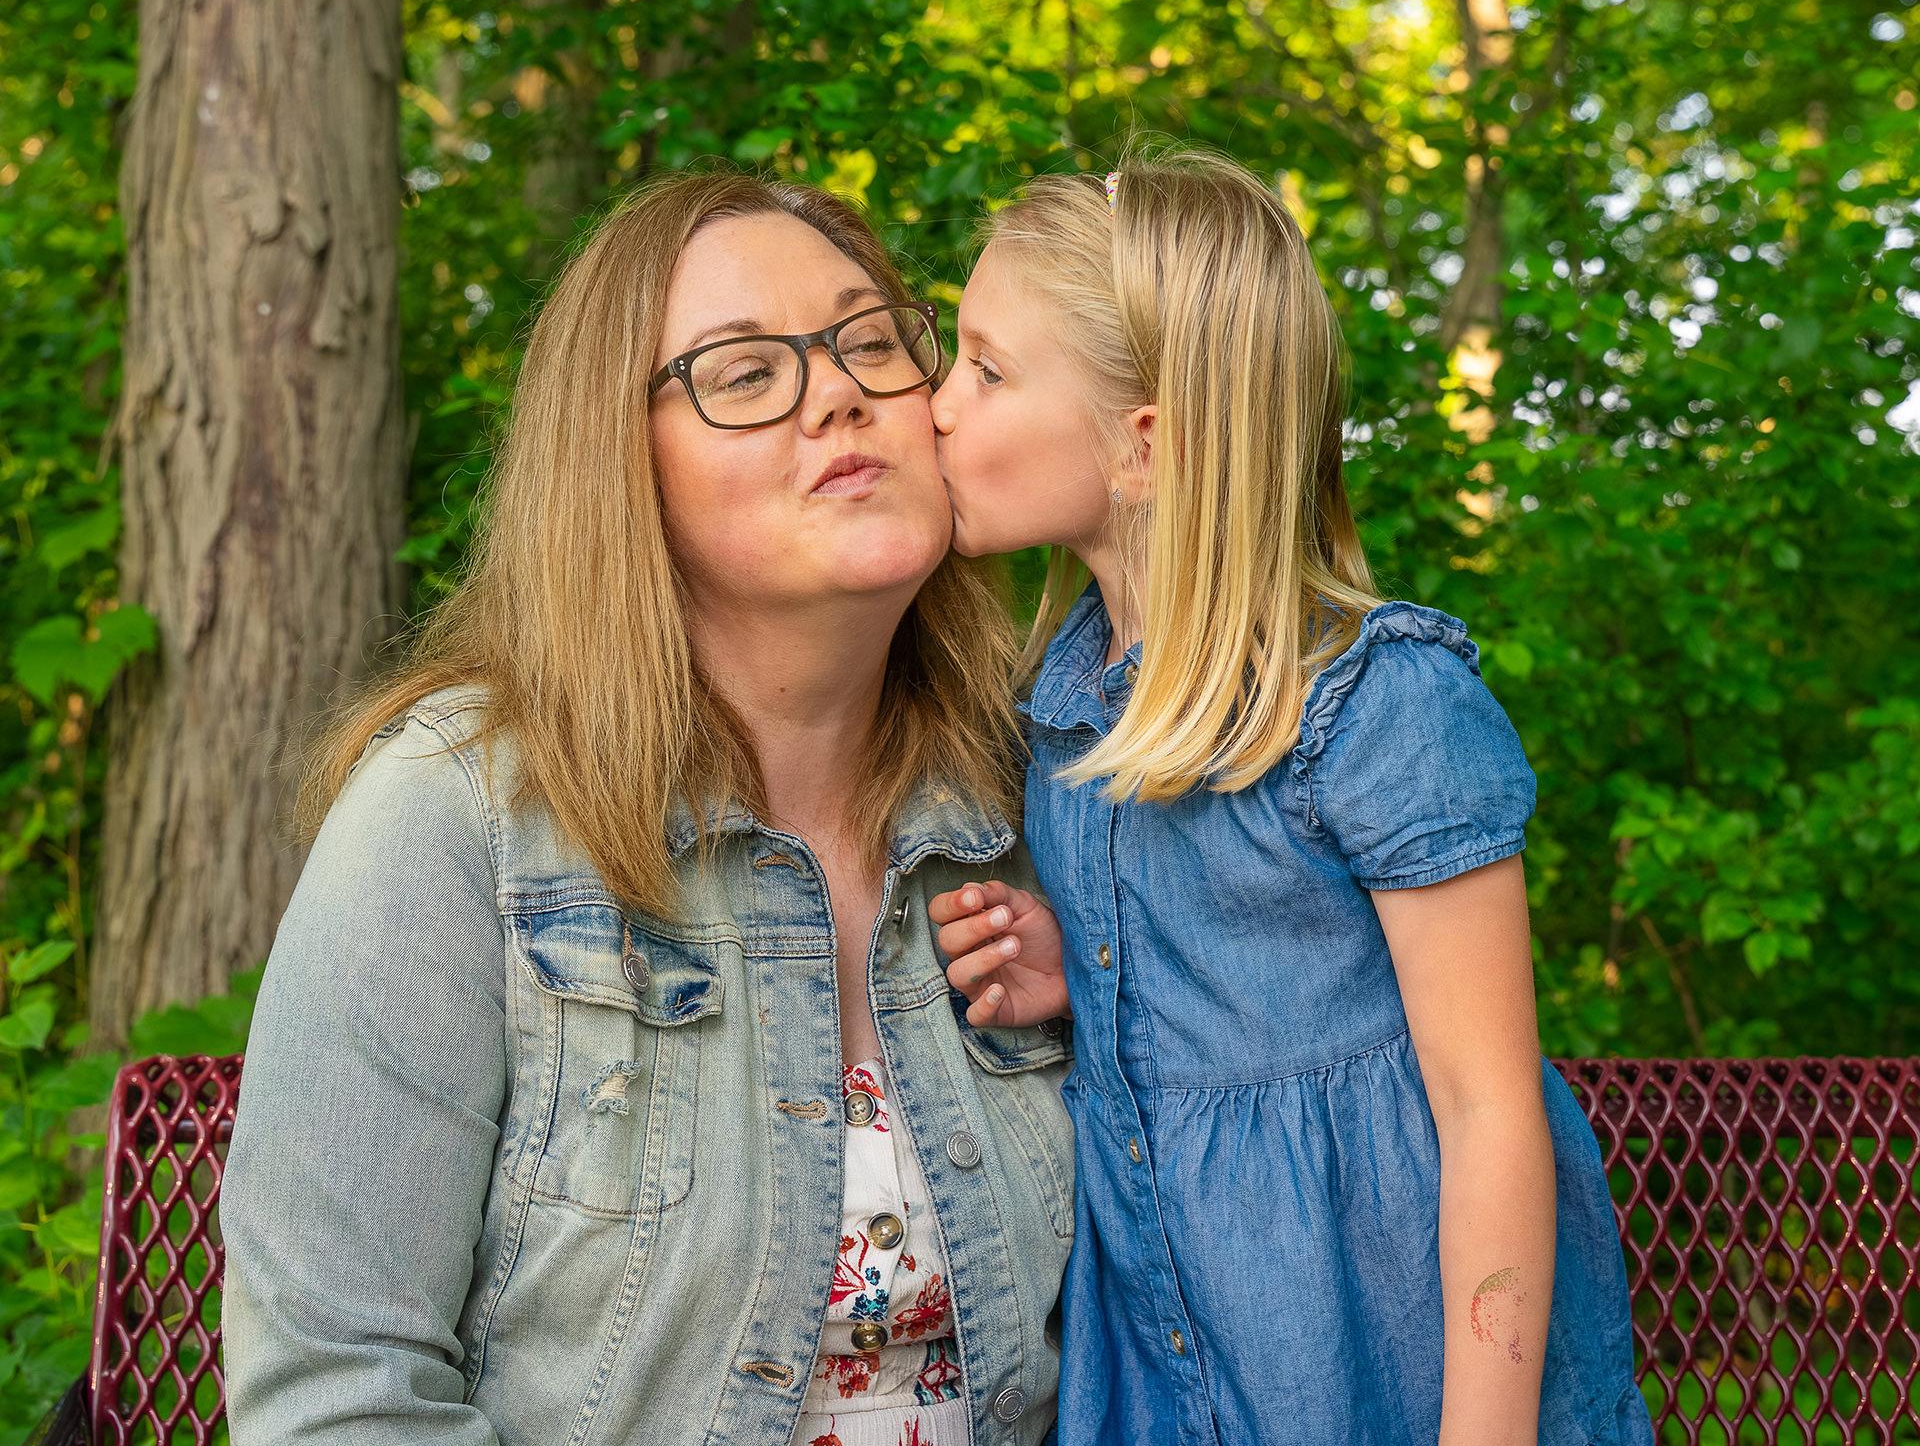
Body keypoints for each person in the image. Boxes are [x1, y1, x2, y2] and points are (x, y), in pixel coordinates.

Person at [220, 170, 1074, 1446]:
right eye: (745, 373)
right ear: (618, 464)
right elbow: (336, 1393)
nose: (838, 392)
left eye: (870, 343)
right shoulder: (454, 816)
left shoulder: (1043, 796)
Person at [925, 149, 1652, 1445]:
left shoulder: (1377, 709)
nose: (935, 406)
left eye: (986, 369)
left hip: (1392, 1373)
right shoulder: (1069, 706)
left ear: (1145, 447)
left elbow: (1489, 1112)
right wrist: (1086, 976)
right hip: (1177, 1373)